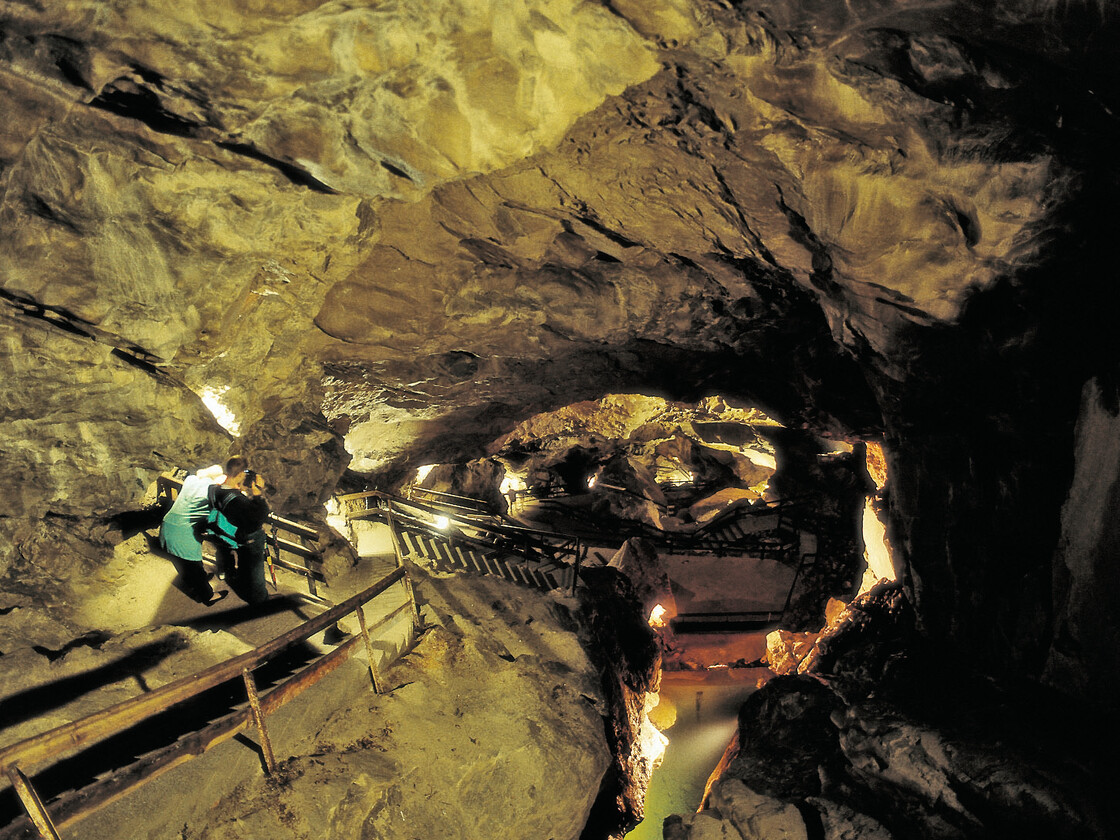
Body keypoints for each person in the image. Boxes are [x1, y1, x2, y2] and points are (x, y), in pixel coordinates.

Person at [158, 462, 229, 605]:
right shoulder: (213, 493)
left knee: (183, 566)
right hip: (183, 537)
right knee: (194, 570)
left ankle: (195, 583)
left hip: (167, 527)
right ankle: (208, 597)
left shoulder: (191, 480)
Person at [207, 462, 271, 605]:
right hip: (248, 537)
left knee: (243, 561)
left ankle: (234, 577)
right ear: (241, 474)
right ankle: (259, 599)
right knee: (255, 568)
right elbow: (257, 518)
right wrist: (258, 492)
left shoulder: (216, 490)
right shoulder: (237, 500)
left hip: (228, 533)